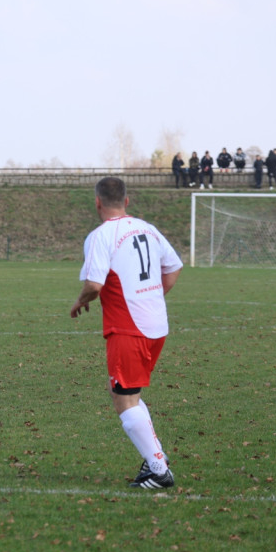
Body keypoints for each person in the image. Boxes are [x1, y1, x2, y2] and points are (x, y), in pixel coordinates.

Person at [69, 176, 183, 489]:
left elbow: (94, 284)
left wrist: (79, 302)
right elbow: (173, 268)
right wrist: (153, 298)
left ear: (97, 202)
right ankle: (154, 455)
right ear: (127, 201)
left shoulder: (100, 236)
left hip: (128, 327)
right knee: (126, 392)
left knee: (124, 399)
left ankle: (159, 471)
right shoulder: (148, 228)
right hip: (157, 325)